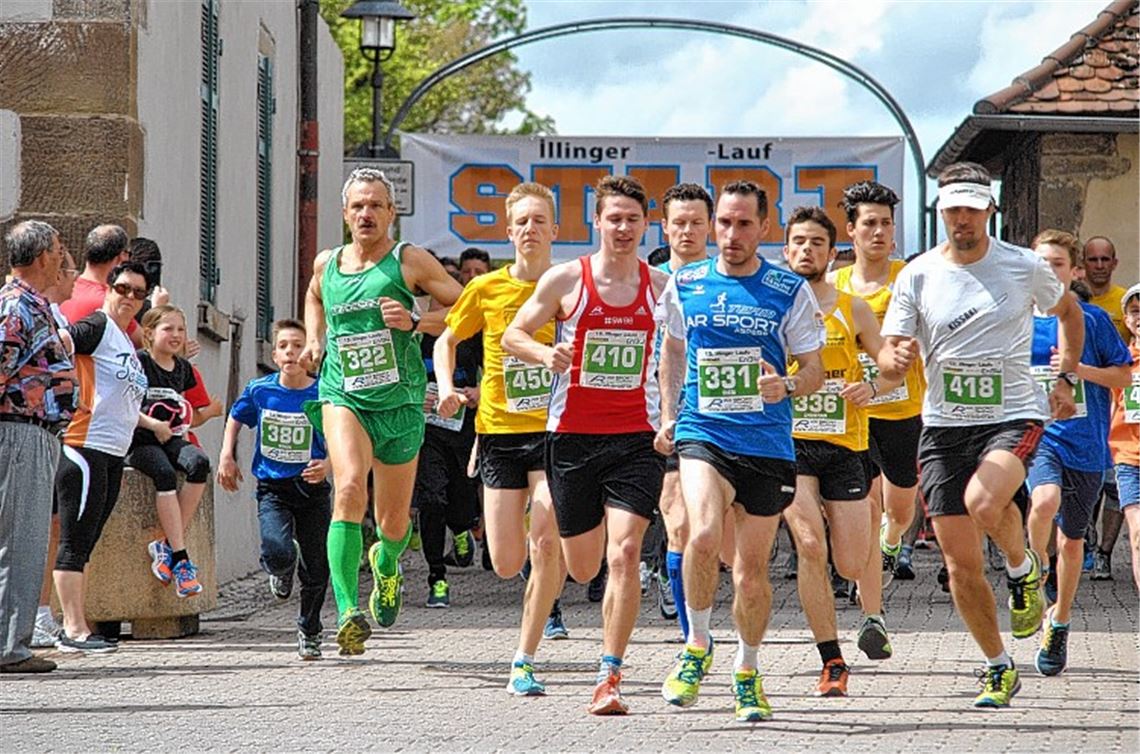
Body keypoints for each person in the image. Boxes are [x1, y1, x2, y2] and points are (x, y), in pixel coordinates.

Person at [877, 161, 1085, 708]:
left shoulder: (1023, 266)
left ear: (989, 210)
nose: (962, 219)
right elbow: (891, 355)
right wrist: (893, 359)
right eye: (953, 210)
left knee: (984, 501)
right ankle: (998, 665)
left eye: (972, 208)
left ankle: (1021, 567)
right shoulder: (917, 274)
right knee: (958, 564)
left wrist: (1065, 375)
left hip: (1012, 413)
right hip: (944, 424)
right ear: (941, 212)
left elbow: (1069, 312)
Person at [656, 181, 824, 722]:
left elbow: (814, 370)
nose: (730, 234)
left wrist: (789, 386)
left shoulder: (787, 288)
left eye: (743, 224)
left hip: (767, 443)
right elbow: (673, 353)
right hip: (704, 431)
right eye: (723, 223)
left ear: (764, 228)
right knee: (702, 533)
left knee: (751, 572)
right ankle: (697, 646)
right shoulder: (685, 283)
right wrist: (667, 414)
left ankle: (747, 670)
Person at [503, 175, 669, 715]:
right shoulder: (565, 280)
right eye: (613, 218)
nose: (623, 228)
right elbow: (514, 334)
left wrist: (670, 416)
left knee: (624, 554)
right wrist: (541, 354)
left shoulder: (661, 287)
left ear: (647, 225)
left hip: (635, 440)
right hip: (572, 439)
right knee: (580, 564)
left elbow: (677, 354)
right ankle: (532, 651)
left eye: (633, 219)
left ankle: (609, 674)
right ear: (596, 222)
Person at [299, 167, 461, 655]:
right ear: (345, 214)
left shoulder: (408, 261)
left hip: (401, 401)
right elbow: (313, 297)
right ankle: (348, 610)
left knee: (393, 522)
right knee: (348, 487)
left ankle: (386, 562)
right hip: (343, 393)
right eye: (358, 206)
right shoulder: (327, 263)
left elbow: (464, 309)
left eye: (376, 205)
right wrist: (314, 337)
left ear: (392, 212)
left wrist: (417, 319)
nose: (366, 214)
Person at [436, 182, 568, 695]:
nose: (531, 229)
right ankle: (535, 575)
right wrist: (446, 388)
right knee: (506, 560)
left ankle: (524, 657)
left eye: (541, 220)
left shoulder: (570, 287)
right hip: (498, 434)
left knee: (547, 529)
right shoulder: (486, 289)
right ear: (509, 231)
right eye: (523, 222)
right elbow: (448, 340)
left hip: (555, 432)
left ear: (555, 230)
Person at [782, 207, 901, 696]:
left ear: (833, 254)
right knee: (810, 545)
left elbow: (889, 368)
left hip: (845, 443)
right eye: (798, 242)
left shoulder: (852, 308)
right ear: (785, 251)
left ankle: (866, 599)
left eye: (816, 242)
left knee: (850, 561)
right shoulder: (771, 304)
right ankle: (831, 660)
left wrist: (871, 387)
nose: (806, 250)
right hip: (789, 445)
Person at [1024, 230, 1131, 676]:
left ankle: (1061, 619)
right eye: (1041, 264)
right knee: (1042, 501)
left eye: (1058, 265)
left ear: (1075, 272)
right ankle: (1031, 578)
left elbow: (1123, 377)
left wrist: (1076, 370)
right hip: (1038, 437)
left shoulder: (1093, 320)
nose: (1049, 272)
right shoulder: (1016, 318)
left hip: (1086, 443)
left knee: (1072, 540)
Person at [217, 319, 332, 660]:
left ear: (309, 352)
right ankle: (280, 570)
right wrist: (227, 455)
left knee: (316, 566)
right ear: (274, 353)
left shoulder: (322, 393)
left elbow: (345, 437)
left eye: (297, 345)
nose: (291, 352)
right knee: (278, 549)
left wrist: (328, 465)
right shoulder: (260, 390)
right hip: (273, 487)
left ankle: (310, 631)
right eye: (284, 346)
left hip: (313, 489)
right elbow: (236, 417)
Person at [52, 261, 149, 653]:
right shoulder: (99, 326)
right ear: (109, 288)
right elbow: (59, 342)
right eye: (123, 288)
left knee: (87, 540)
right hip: (84, 446)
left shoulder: (126, 340)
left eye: (138, 294)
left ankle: (79, 622)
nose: (129, 298)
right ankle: (73, 630)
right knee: (74, 540)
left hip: (111, 451)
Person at [832, 181, 926, 583]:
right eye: (869, 223)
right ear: (850, 229)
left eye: (886, 223)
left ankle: (890, 542)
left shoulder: (911, 278)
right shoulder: (835, 285)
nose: (879, 232)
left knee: (900, 509)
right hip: (854, 411)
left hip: (903, 408)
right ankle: (865, 574)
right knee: (866, 501)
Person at [0, 220, 76, 674]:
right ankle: (10, 646)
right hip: (19, 431)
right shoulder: (15, 306)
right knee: (19, 538)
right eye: (59, 249)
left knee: (23, 537)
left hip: (32, 434)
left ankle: (12, 640)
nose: (64, 257)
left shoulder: (31, 304)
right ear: (44, 255)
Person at [652, 183, 714, 640]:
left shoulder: (724, 278)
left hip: (706, 418)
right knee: (673, 519)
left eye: (696, 222)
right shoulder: (645, 280)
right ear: (665, 227)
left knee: (692, 526)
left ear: (710, 227)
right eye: (679, 223)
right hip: (645, 414)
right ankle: (690, 631)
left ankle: (692, 616)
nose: (687, 231)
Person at [127, 305, 212, 598]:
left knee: (199, 463)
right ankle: (181, 558)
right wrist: (152, 424)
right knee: (163, 473)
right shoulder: (138, 362)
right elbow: (121, 405)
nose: (176, 335)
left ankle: (165, 545)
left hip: (170, 437)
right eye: (168, 329)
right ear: (149, 333)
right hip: (139, 441)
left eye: (180, 329)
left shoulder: (184, 369)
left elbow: (186, 410)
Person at [416, 301, 481, 608]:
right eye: (437, 301)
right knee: (431, 500)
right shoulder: (414, 336)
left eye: (450, 303)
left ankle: (460, 528)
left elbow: (495, 369)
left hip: (463, 431)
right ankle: (437, 576)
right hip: (426, 432)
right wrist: (416, 398)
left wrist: (478, 393)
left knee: (461, 504)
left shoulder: (472, 334)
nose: (443, 309)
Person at [31, 247, 80, 648]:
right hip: (26, 429)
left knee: (49, 524)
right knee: (28, 525)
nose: (75, 278)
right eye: (70, 270)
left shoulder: (57, 315)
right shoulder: (24, 309)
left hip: (52, 433)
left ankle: (40, 611)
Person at [1082, 236, 1130, 579]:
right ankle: (1084, 537)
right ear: (1082, 265)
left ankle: (1104, 552)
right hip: (1083, 402)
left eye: (1105, 259)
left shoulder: (1125, 300)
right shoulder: (1070, 303)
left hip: (1121, 402)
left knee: (1115, 483)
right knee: (1088, 479)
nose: (1099, 265)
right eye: (1092, 259)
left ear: (1114, 263)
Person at [61, 224, 141, 346]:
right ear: (122, 257)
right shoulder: (111, 302)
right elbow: (148, 343)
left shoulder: (63, 290)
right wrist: (158, 308)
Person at [1108, 283, 1140, 588]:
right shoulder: (1119, 363)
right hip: (1128, 458)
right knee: (1138, 533)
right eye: (1135, 312)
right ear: (1126, 319)